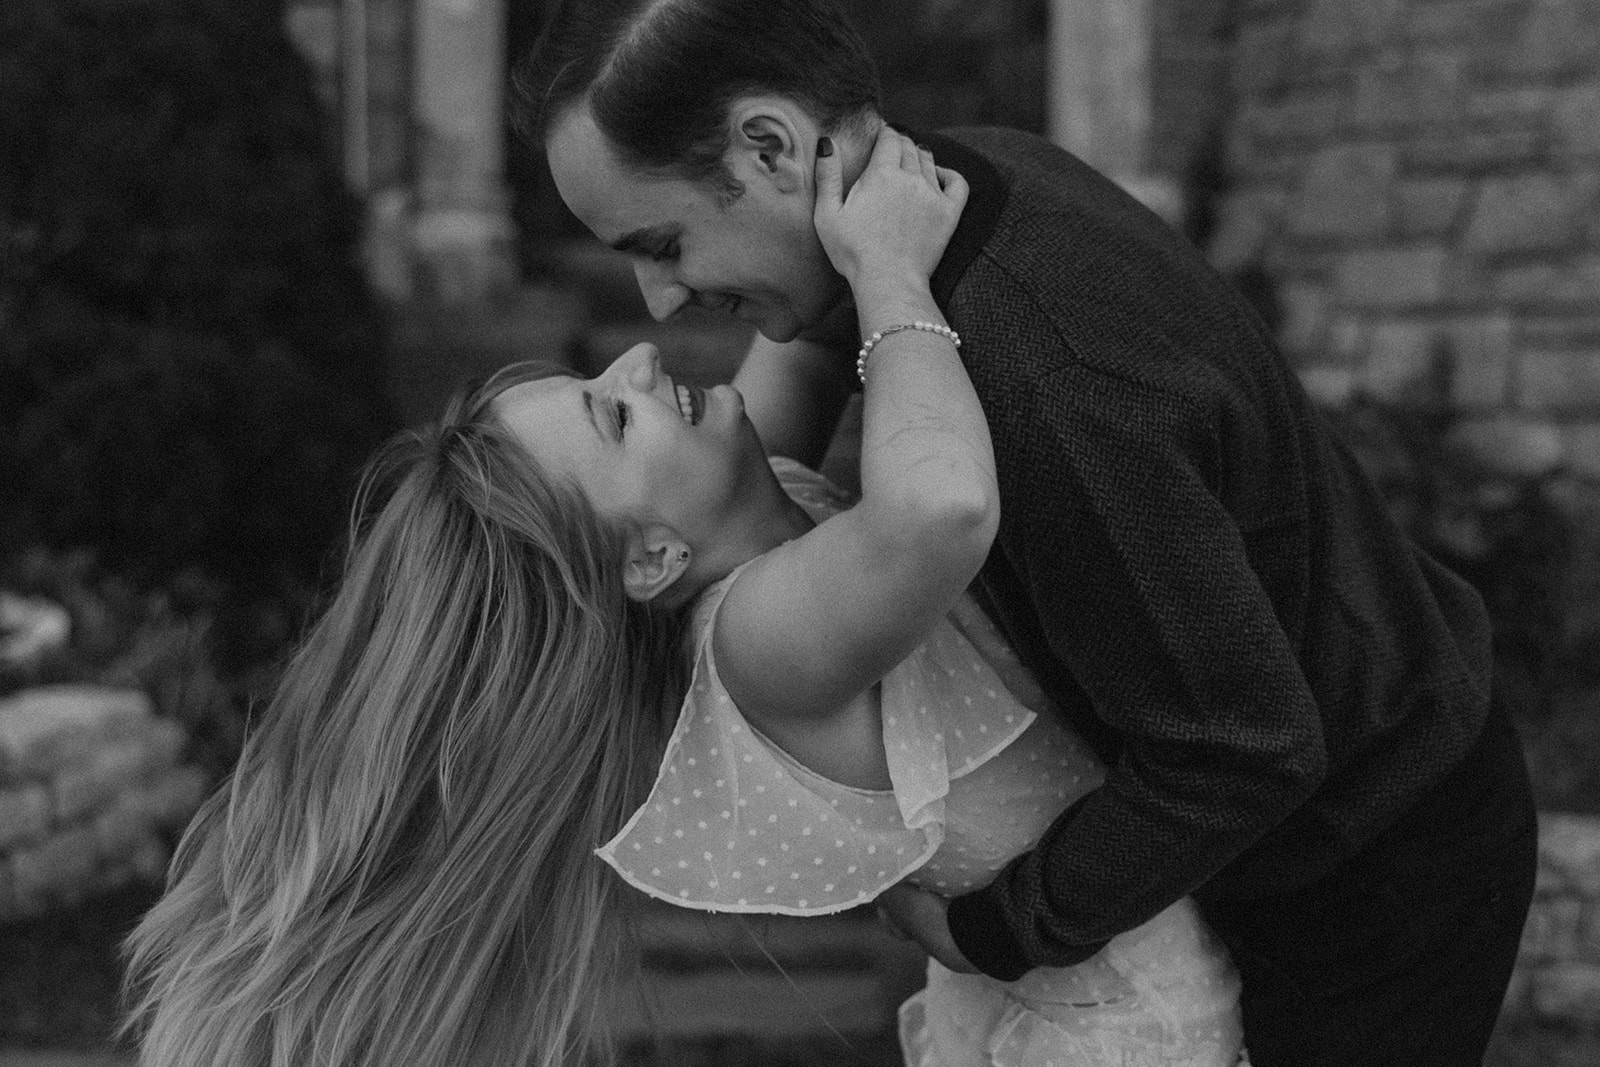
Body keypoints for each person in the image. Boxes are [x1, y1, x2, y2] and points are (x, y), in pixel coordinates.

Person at [515, 1, 1539, 1063]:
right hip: (1290, 845)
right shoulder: (964, 186)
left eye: (663, 242)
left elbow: (1243, 748)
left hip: (1370, 869)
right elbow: (779, 414)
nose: (659, 299)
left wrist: (994, 927)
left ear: (771, 147)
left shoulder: (1036, 374)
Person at [120, 126, 1243, 1067]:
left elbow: (801, 342)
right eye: (615, 415)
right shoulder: (757, 637)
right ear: (651, 561)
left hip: (1081, 967)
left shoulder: (755, 507)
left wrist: (818, 174)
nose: (643, 361)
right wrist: (894, 270)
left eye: (599, 379)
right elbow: (940, 510)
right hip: (1119, 1032)